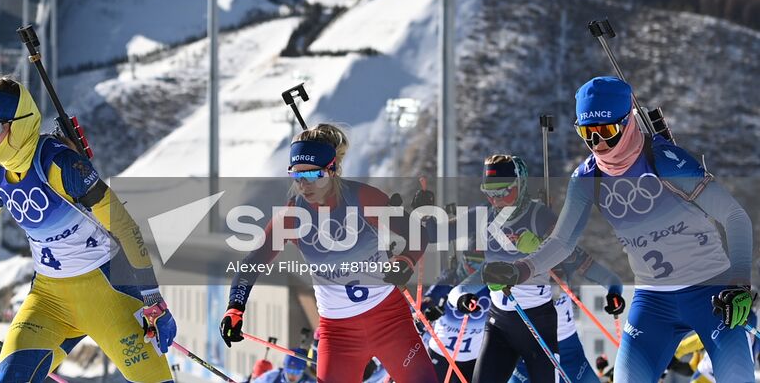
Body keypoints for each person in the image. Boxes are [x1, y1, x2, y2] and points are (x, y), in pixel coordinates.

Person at [483, 76, 754, 382]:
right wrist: (519, 270)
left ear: (627, 123)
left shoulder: (665, 161)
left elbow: (734, 216)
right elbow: (562, 242)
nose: (599, 145)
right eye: (588, 134)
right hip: (654, 301)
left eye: (607, 132)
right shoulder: (586, 177)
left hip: (711, 292)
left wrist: (739, 283)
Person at [0, 76, 177, 382]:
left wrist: (151, 296)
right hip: (49, 299)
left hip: (107, 292)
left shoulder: (60, 164)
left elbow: (123, 224)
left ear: (20, 124)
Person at [219, 123, 438, 383]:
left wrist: (406, 260)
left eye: (313, 176)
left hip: (390, 320)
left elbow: (417, 233)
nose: (303, 185)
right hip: (338, 335)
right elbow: (252, 263)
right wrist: (235, 308)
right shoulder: (291, 219)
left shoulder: (364, 199)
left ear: (332, 169)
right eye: (297, 176)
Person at [458, 153, 622, 383]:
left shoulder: (559, 247)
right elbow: (470, 283)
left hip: (565, 351)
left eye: (503, 191)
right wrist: (463, 297)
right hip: (515, 346)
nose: (495, 200)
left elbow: (608, 278)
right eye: (489, 193)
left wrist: (614, 295)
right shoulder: (496, 238)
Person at [420, 251, 489, 381]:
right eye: (472, 261)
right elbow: (427, 302)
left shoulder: (490, 285)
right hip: (441, 354)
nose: (475, 267)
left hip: (471, 359)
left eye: (480, 262)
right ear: (464, 259)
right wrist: (427, 311)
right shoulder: (450, 278)